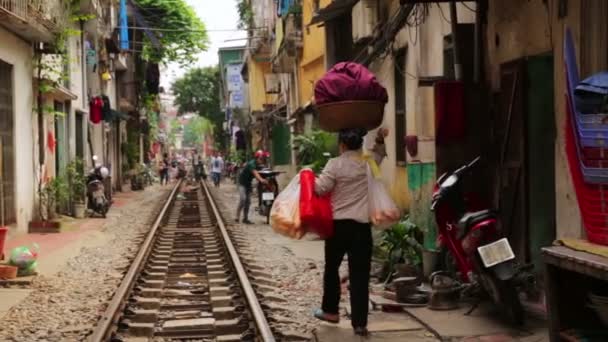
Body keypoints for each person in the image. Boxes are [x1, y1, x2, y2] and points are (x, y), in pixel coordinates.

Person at [312, 127, 388, 337]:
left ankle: (330, 312)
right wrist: (380, 139)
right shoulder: (368, 162)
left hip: (338, 227)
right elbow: (380, 154)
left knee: (332, 268)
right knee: (360, 274)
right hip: (361, 228)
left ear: (342, 144)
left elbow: (320, 189)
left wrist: (309, 178)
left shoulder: (334, 164)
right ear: (358, 144)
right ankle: (360, 324)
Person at [236, 150, 269, 224]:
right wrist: (261, 180)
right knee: (243, 199)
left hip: (248, 184)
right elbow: (256, 173)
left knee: (248, 202)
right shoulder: (252, 164)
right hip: (242, 183)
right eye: (260, 158)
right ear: (256, 158)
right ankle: (237, 216)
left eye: (262, 159)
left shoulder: (259, 164)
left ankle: (245, 218)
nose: (262, 160)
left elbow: (263, 170)